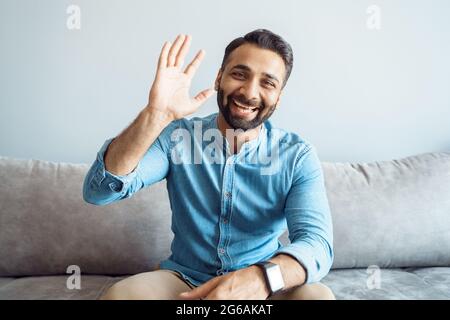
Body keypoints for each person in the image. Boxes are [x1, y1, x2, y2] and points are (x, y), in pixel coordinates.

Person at [83, 29, 335, 300]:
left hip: (262, 288)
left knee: (317, 296)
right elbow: (99, 192)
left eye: (267, 83)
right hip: (184, 282)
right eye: (239, 74)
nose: (250, 92)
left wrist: (261, 278)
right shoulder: (178, 137)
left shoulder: (297, 156)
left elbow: (317, 244)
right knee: (121, 297)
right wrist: (155, 115)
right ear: (219, 78)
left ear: (278, 96)